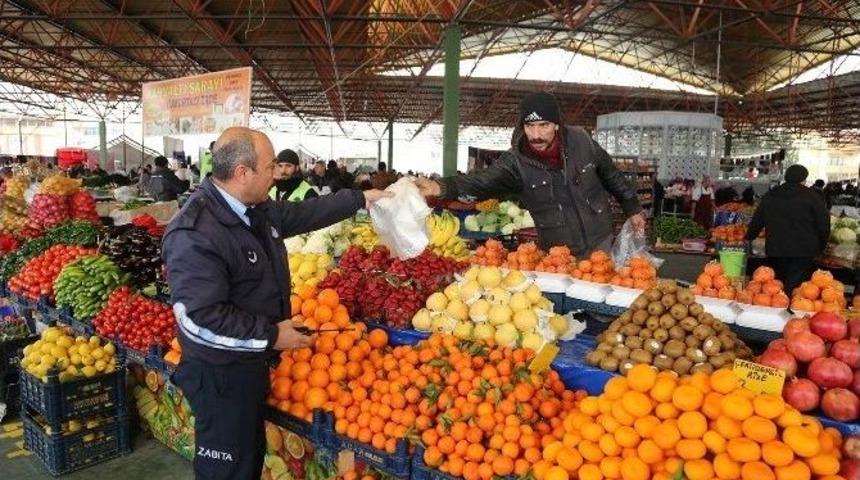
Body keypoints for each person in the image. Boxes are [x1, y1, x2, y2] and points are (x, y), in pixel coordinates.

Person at [162, 127, 391, 480]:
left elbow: (300, 215)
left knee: (247, 462)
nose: (277, 173)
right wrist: (269, 335)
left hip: (249, 365)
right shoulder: (195, 233)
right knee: (228, 470)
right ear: (243, 173)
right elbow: (199, 320)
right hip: (221, 375)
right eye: (269, 167)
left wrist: (360, 200)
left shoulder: (252, 208)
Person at [414, 91, 644, 256]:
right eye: (530, 126)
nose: (536, 135)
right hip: (557, 251)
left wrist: (632, 208)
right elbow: (482, 181)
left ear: (556, 124)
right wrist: (440, 187)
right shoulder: (515, 162)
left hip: (600, 238)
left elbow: (611, 174)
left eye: (543, 125)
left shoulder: (582, 141)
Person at [745, 164, 830, 294]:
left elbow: (757, 220)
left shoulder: (771, 195)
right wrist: (821, 246)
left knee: (776, 284)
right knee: (797, 287)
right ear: (803, 179)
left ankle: (779, 307)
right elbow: (824, 224)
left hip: (776, 248)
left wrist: (749, 237)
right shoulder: (813, 197)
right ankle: (791, 309)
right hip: (804, 250)